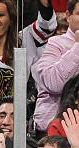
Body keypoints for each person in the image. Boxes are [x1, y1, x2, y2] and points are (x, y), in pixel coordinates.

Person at [34, 0, 79, 132]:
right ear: (68, 15)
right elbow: (54, 83)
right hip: (54, 132)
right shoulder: (55, 44)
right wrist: (77, 47)